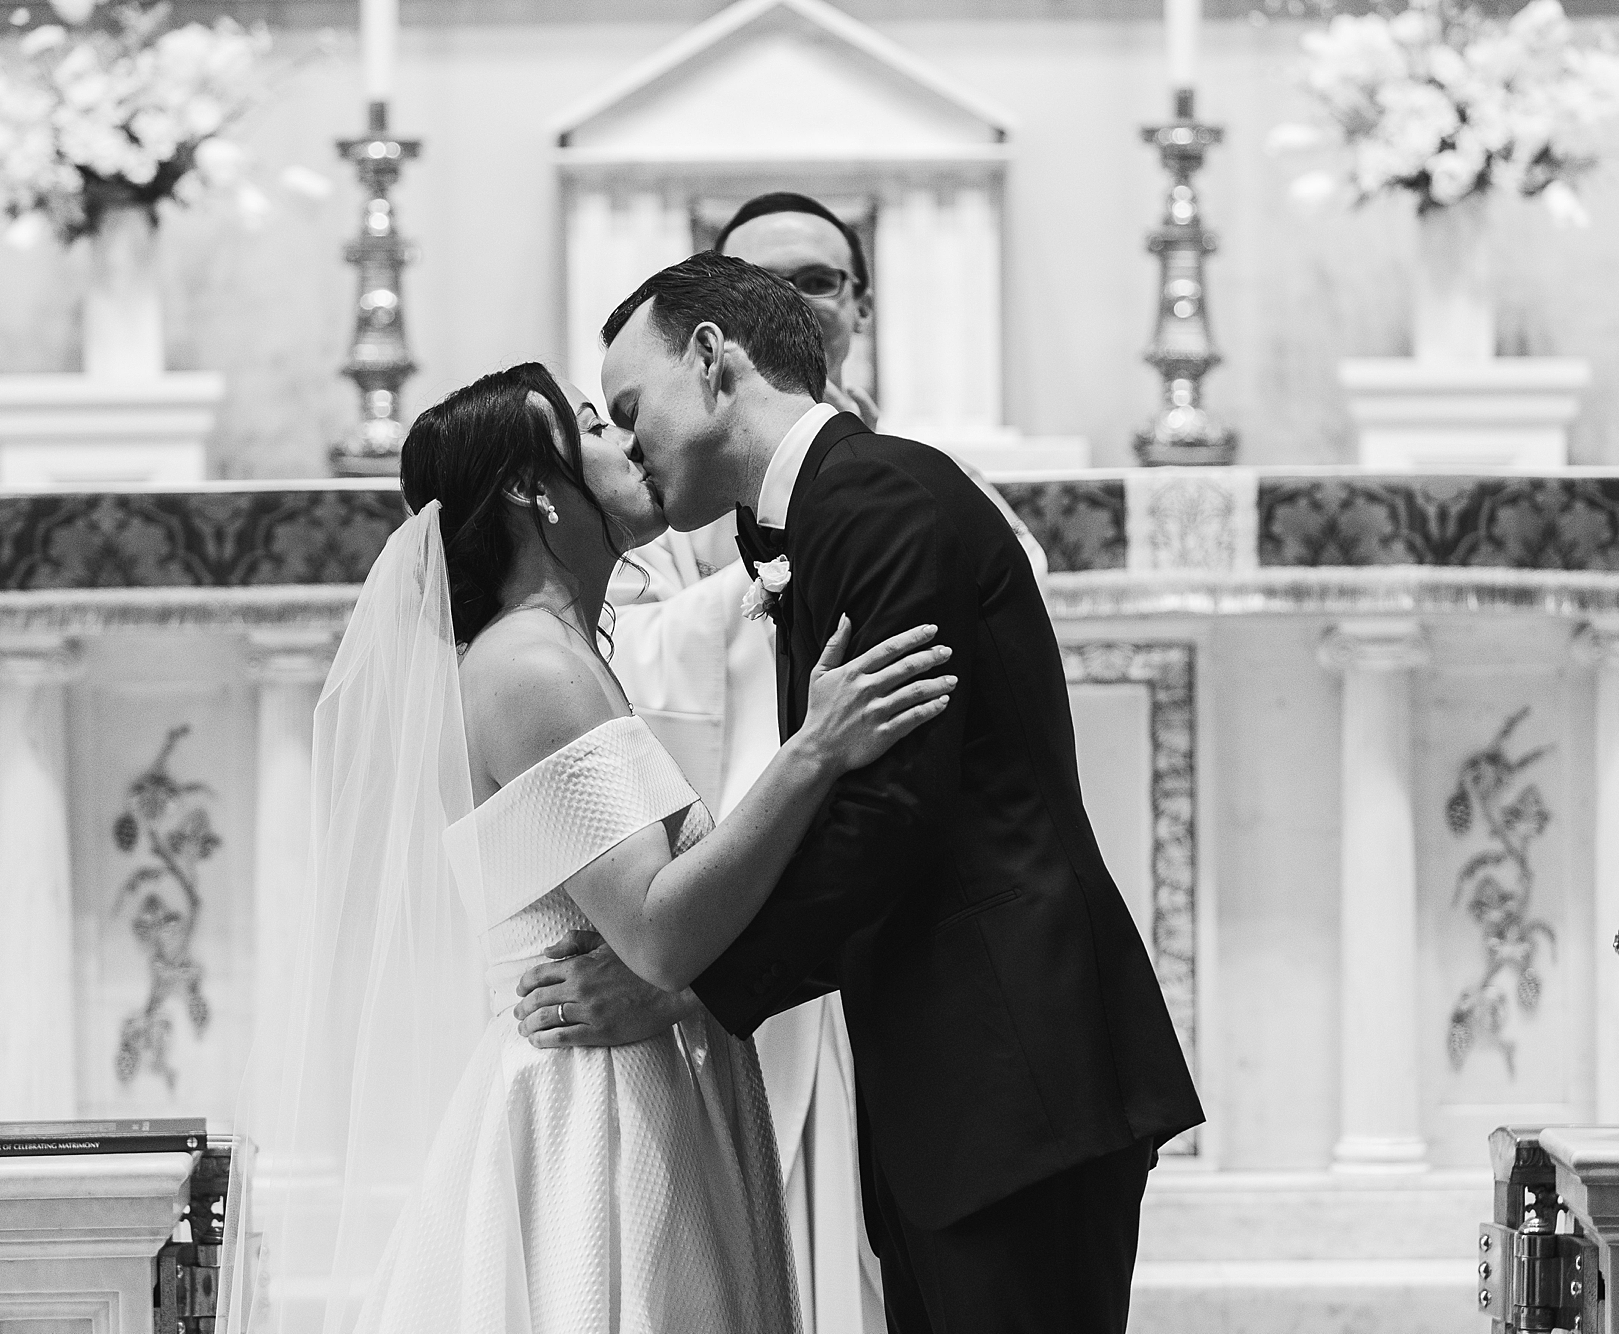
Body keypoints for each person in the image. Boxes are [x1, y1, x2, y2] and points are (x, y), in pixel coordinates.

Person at [226, 362, 958, 1334]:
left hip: (639, 1069)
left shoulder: (562, 652)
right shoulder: (529, 663)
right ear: (534, 488)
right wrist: (812, 753)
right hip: (594, 1106)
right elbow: (654, 934)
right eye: (593, 428)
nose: (630, 442)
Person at [548, 254, 1206, 1334]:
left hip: (1014, 1065)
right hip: (961, 1074)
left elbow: (890, 813)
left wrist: (691, 986)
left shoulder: (880, 499)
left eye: (630, 409)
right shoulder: (828, 511)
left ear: (713, 361)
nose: (624, 446)